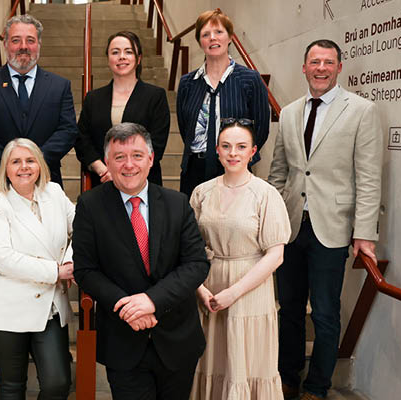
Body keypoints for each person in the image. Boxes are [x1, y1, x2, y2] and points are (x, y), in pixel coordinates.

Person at [267, 39, 382, 400]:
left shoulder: (362, 111)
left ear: (339, 67)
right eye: (314, 61)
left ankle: (317, 387)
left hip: (332, 228)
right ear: (304, 67)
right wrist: (268, 220)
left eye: (328, 62)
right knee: (289, 310)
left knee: (326, 313)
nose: (320, 68)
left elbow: (368, 176)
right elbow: (278, 172)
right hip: (290, 227)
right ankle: (287, 378)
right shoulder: (288, 113)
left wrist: (364, 233)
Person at [73, 122, 209, 400]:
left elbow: (196, 264)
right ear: (107, 163)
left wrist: (151, 301)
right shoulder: (89, 205)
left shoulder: (177, 203)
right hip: (123, 341)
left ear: (151, 159)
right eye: (119, 157)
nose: (128, 164)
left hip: (177, 338)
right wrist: (128, 308)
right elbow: (86, 270)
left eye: (136, 155)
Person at [189, 119, 290, 399]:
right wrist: (200, 289)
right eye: (226, 146)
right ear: (217, 151)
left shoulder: (266, 194)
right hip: (210, 285)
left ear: (253, 151)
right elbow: (189, 249)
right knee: (213, 360)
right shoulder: (202, 192)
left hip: (250, 289)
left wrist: (233, 293)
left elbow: (276, 255)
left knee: (247, 367)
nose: (233, 153)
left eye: (241, 146)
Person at [0, 138, 75, 400]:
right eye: (16, 161)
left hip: (49, 306)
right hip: (7, 306)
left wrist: (71, 262)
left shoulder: (54, 193)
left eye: (30, 160)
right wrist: (56, 272)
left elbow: (83, 230)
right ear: (5, 169)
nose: (24, 167)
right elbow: (2, 257)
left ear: (40, 164)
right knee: (11, 385)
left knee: (58, 384)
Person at [0, 14, 78, 193]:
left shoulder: (60, 85)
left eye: (30, 40)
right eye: (16, 40)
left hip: (46, 182)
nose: (23, 47)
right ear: (5, 44)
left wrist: (36, 160)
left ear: (39, 44)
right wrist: (10, 160)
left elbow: (68, 130)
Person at [176, 9, 270, 197]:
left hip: (235, 169)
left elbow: (260, 129)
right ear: (200, 42)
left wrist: (242, 159)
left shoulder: (249, 80)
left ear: (230, 37)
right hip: (195, 169)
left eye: (219, 32)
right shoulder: (188, 82)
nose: (212, 38)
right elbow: (184, 126)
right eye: (205, 34)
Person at [75, 30, 170, 186]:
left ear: (138, 59)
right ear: (108, 59)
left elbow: (156, 144)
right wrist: (104, 170)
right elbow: (82, 140)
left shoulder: (155, 96)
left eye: (128, 52)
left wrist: (126, 171)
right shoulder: (93, 98)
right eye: (115, 52)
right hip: (103, 182)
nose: (122, 57)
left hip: (143, 183)